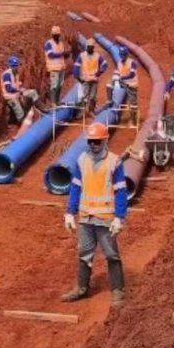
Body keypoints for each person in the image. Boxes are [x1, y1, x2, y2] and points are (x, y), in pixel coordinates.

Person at [62, 122, 127, 307]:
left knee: (112, 255)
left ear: (105, 141)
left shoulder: (114, 162)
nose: (93, 145)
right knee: (84, 253)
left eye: (97, 142)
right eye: (90, 141)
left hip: (105, 219)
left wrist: (119, 217)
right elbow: (75, 187)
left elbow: (121, 190)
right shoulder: (81, 160)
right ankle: (82, 288)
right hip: (85, 218)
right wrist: (69, 213)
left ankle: (117, 290)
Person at [73, 39, 109, 115]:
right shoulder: (82, 55)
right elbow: (76, 66)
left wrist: (99, 73)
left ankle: (91, 111)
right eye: (88, 47)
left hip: (94, 80)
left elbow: (105, 65)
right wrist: (78, 77)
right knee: (84, 96)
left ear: (93, 47)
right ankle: (81, 112)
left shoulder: (97, 56)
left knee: (93, 97)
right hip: (85, 79)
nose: (89, 48)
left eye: (90, 47)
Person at [1, 55, 41, 123]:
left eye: (16, 66)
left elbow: (16, 85)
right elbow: (8, 89)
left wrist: (20, 87)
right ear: (10, 66)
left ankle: (40, 108)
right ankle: (22, 123)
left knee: (33, 92)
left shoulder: (16, 73)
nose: (15, 67)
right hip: (10, 96)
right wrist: (19, 90)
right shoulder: (7, 75)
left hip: (17, 93)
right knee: (20, 113)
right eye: (14, 66)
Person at [106, 45, 139, 126]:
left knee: (132, 105)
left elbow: (132, 74)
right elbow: (116, 72)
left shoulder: (132, 63)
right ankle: (110, 101)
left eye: (123, 55)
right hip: (122, 83)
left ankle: (133, 120)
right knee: (109, 83)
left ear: (127, 54)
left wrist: (122, 78)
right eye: (121, 55)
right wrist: (115, 78)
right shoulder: (119, 63)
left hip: (131, 84)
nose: (122, 56)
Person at [45, 25, 70, 107]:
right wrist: (62, 54)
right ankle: (53, 103)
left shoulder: (60, 43)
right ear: (52, 35)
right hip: (53, 68)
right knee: (54, 85)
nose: (57, 36)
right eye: (55, 35)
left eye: (57, 34)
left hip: (61, 67)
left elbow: (62, 55)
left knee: (60, 85)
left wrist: (66, 54)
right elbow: (50, 55)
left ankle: (57, 101)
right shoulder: (49, 43)